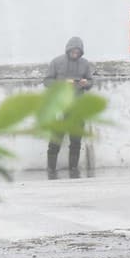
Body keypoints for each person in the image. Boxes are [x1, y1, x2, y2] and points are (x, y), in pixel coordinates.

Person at [44, 36, 93, 180]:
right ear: (68, 49)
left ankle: (74, 169)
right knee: (55, 139)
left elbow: (90, 81)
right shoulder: (56, 62)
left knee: (76, 140)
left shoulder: (85, 64)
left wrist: (86, 83)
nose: (75, 53)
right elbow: (47, 81)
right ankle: (51, 169)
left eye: (78, 51)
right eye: (73, 51)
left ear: (81, 52)